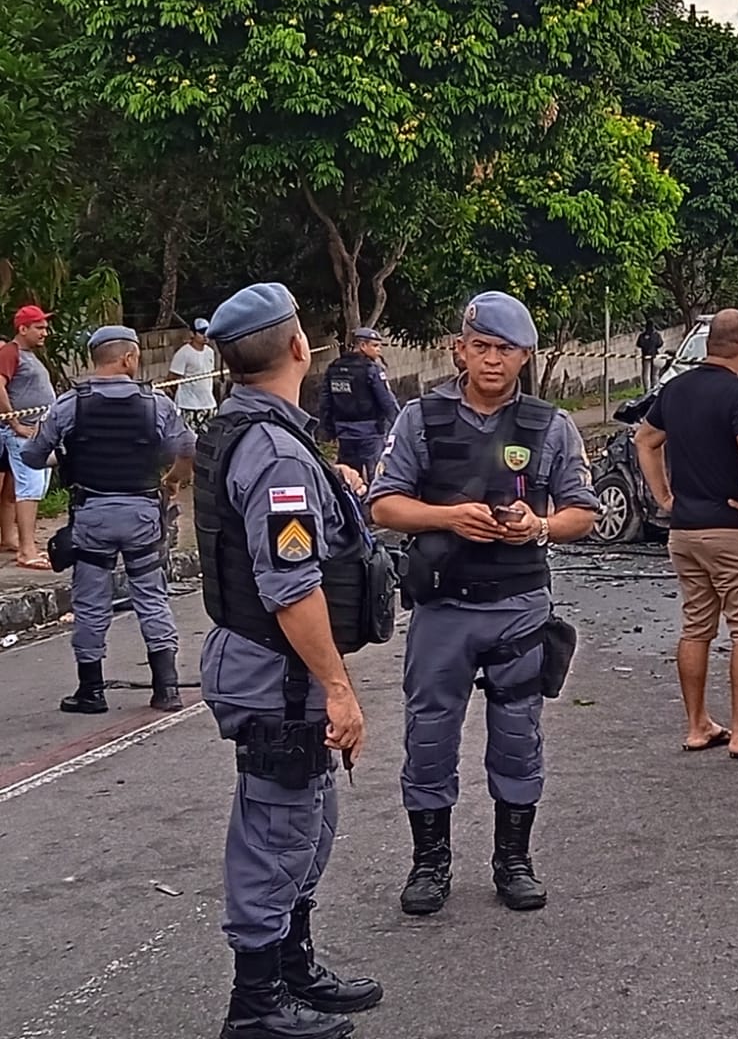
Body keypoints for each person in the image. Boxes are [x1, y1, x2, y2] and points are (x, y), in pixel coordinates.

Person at [194, 283, 393, 1039]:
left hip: (274, 668)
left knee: (308, 818)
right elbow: (291, 586)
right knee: (276, 829)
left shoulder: (258, 430)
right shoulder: (275, 451)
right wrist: (339, 689)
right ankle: (256, 1004)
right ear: (300, 347)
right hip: (277, 674)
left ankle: (293, 966)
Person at [370, 292, 598, 917]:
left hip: (518, 604)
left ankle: (513, 859)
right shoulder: (420, 419)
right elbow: (384, 504)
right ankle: (430, 863)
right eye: (481, 347)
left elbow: (583, 511)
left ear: (525, 356)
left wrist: (539, 526)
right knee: (429, 736)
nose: (492, 360)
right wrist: (447, 517)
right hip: (442, 608)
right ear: (459, 348)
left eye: (505, 350)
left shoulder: (550, 425)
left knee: (518, 735)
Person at [634, 309, 738, 760]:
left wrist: (664, 497)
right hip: (733, 531)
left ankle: (698, 724)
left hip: (685, 531)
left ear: (707, 345)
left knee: (696, 626)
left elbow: (644, 441)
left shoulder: (675, 389)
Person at [22, 327, 195, 714]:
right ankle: (166, 689)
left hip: (93, 516)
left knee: (90, 603)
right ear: (129, 358)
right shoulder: (155, 403)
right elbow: (187, 448)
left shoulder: (70, 404)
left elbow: (33, 456)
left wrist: (67, 456)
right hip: (142, 514)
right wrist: (172, 479)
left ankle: (91, 691)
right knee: (152, 597)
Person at [0, 305, 56, 570]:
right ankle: (27, 550)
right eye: (39, 327)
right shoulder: (10, 352)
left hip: (37, 431)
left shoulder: (28, 355)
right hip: (24, 432)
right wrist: (15, 422)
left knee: (18, 489)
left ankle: (14, 540)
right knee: (29, 489)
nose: (45, 332)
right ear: (23, 329)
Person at [316, 327, 400, 485]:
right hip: (370, 432)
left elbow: (325, 402)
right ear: (362, 346)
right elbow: (386, 401)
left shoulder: (334, 368)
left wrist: (328, 430)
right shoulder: (371, 369)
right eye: (375, 346)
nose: (379, 350)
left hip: (344, 433)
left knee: (348, 479)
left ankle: (352, 506)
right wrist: (400, 427)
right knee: (377, 477)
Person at [169, 317, 219, 430]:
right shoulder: (183, 353)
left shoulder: (210, 352)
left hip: (208, 404)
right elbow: (172, 379)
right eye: (201, 332)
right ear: (192, 333)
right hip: (189, 405)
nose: (205, 335)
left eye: (207, 331)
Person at [636, 320, 663, 390]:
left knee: (646, 374)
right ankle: (655, 389)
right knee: (655, 374)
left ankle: (647, 390)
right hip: (655, 356)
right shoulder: (656, 335)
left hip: (646, 356)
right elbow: (660, 344)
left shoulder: (642, 335)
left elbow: (639, 344)